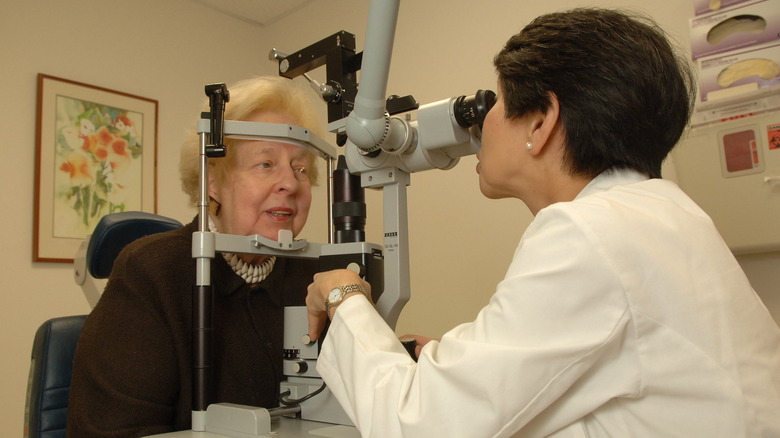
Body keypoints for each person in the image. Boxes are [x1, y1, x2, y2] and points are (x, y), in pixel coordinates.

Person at [306, 8, 780, 437]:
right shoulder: (664, 216)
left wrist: (343, 296)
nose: (482, 123)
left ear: (541, 121)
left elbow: (416, 425)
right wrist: (458, 365)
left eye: (496, 101)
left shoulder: (588, 235)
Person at [68, 76, 325, 437]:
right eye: (266, 164)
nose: (291, 183)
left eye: (301, 168)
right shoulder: (152, 272)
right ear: (213, 181)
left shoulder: (316, 279)